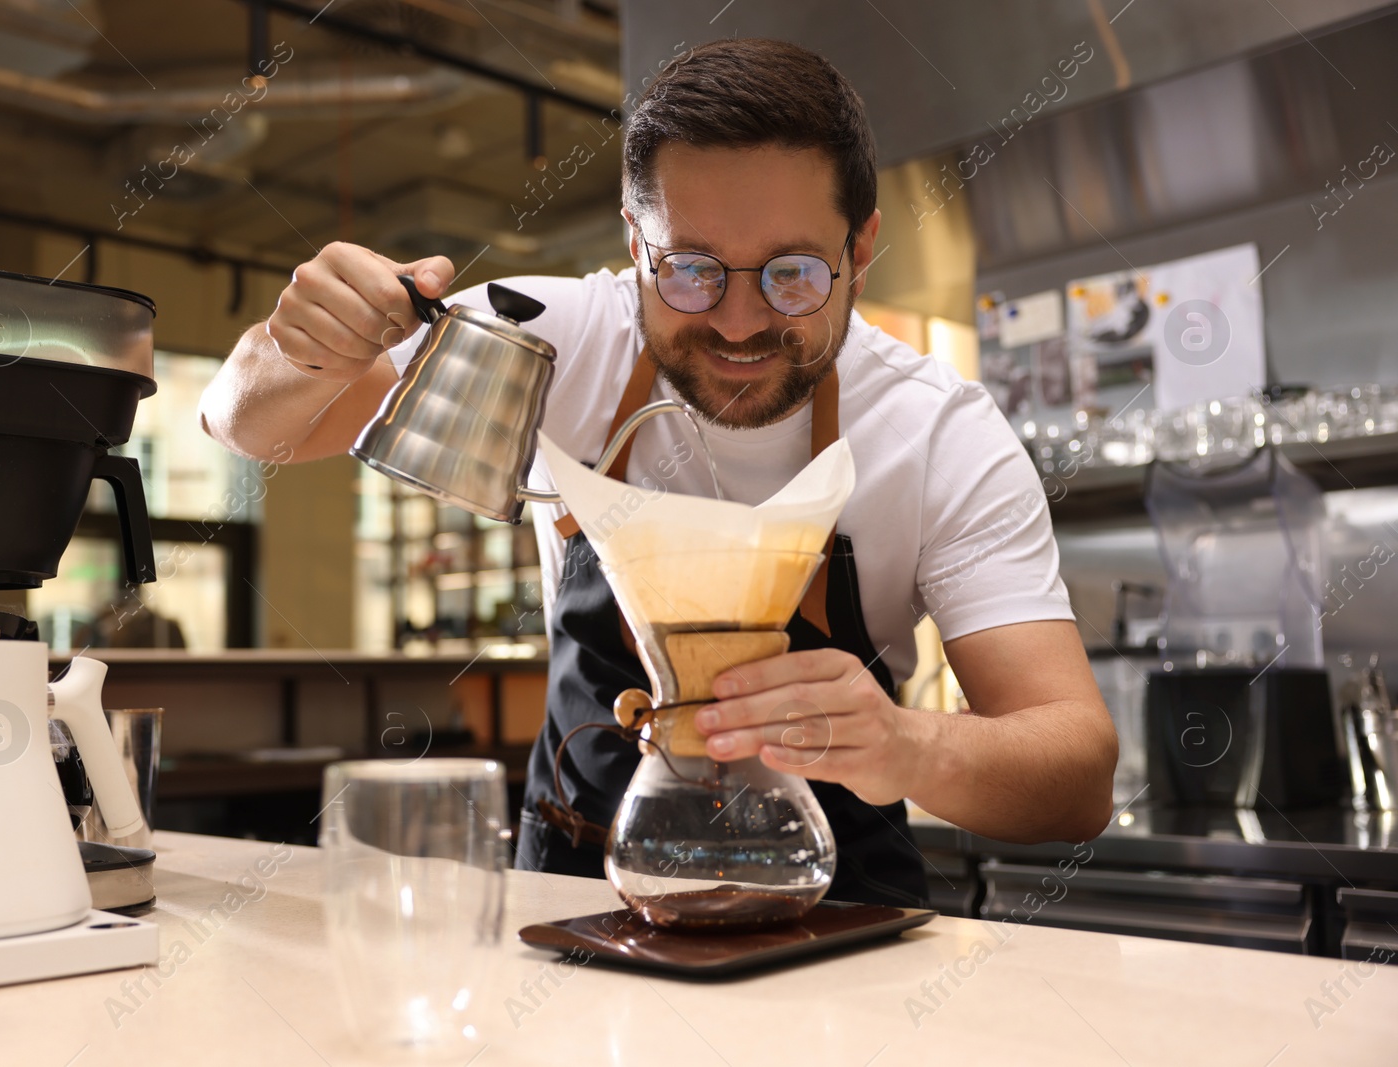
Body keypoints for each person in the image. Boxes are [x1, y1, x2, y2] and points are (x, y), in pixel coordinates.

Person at [199, 38, 1117, 907]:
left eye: (793, 273)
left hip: (841, 925)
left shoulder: (937, 431)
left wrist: (911, 744)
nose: (739, 322)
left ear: (862, 251)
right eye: (691, 271)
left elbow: (1076, 776)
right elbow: (244, 425)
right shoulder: (550, 338)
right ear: (635, 242)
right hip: (572, 896)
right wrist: (299, 347)